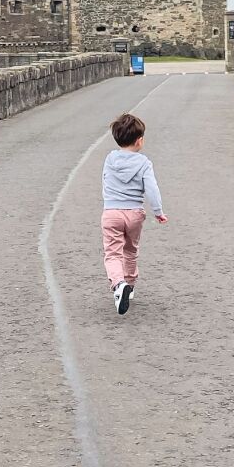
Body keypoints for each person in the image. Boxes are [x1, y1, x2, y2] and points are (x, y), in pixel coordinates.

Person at [101, 112, 167, 315]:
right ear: (139, 141)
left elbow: (105, 180)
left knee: (113, 253)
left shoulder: (110, 159)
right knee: (130, 250)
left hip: (112, 211)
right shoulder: (144, 163)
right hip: (134, 212)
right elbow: (152, 188)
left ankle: (118, 284)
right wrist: (158, 211)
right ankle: (129, 285)